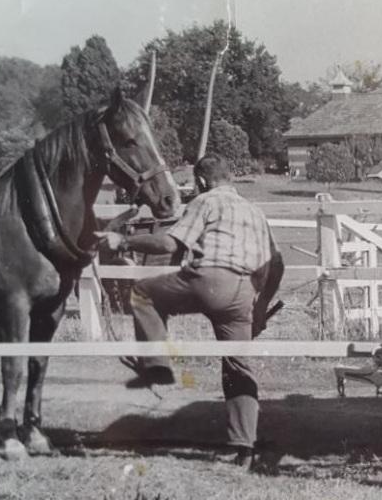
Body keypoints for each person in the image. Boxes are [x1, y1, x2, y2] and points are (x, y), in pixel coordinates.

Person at [95, 154, 284, 465]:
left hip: (209, 281)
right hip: (243, 292)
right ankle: (244, 447)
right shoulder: (255, 210)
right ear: (231, 178)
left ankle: (156, 363)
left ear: (201, 182)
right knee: (238, 367)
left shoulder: (206, 201)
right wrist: (261, 306)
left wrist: (124, 242)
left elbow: (171, 244)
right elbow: (276, 263)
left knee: (143, 293)